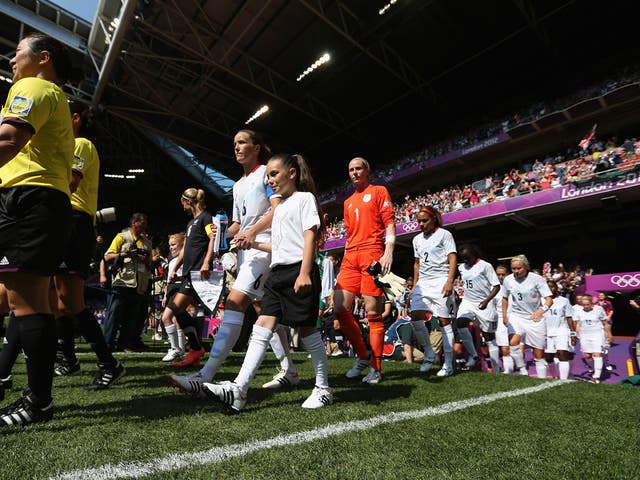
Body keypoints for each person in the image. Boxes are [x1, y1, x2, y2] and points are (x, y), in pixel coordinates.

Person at [169, 129, 296, 395]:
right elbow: (238, 223)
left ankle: (205, 375)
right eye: (234, 143)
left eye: (242, 142)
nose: (236, 147)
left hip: (263, 249)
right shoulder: (238, 185)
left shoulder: (265, 174)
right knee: (266, 311)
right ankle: (289, 370)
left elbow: (276, 210)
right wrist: (223, 232)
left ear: (257, 147)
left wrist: (251, 232)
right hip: (245, 251)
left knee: (236, 302)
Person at [203, 153, 332, 411]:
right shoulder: (281, 207)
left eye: (274, 174)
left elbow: (310, 237)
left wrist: (305, 272)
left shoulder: (304, 199)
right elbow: (280, 245)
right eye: (269, 175)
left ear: (292, 173)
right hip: (277, 273)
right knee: (261, 326)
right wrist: (254, 242)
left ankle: (323, 388)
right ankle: (239, 389)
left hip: (298, 270)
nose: (270, 180)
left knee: (307, 330)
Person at [0, 33, 74, 426]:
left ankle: (38, 402)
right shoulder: (52, 95)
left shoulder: (31, 86)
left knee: (28, 303)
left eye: (17, 53)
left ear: (43, 58)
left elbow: (8, 140)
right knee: (17, 300)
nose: (12, 60)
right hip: (34, 199)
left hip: (29, 199)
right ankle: (32, 395)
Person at [50, 100, 125, 389]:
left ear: (77, 118)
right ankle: (67, 358)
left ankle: (109, 364)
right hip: (65, 220)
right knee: (59, 300)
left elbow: (69, 182)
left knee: (71, 299)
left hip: (75, 221)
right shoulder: (72, 144)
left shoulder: (80, 144)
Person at [332, 157, 395, 384]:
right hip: (351, 255)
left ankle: (376, 368)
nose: (355, 172)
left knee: (372, 312)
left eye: (359, 168)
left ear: (367, 170)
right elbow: (349, 234)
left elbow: (389, 222)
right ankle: (362, 355)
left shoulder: (379, 191)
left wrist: (388, 251)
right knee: (339, 306)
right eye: (351, 170)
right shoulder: (348, 202)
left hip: (372, 252)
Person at [159, 188, 214, 365]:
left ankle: (192, 349)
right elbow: (186, 249)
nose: (182, 206)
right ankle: (195, 349)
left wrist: (207, 261)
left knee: (172, 311)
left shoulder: (206, 217)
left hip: (199, 273)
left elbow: (213, 238)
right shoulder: (191, 223)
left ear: (188, 202)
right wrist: (176, 267)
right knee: (180, 311)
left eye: (182, 202)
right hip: (189, 274)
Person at [408, 206, 457, 377]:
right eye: (419, 221)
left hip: (441, 280)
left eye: (424, 221)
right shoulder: (416, 239)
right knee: (415, 318)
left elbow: (452, 258)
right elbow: (417, 263)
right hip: (423, 283)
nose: (420, 224)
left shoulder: (444, 234)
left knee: (444, 321)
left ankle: (448, 364)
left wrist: (450, 281)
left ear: (433, 219)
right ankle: (429, 352)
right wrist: (415, 285)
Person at [103, 213, 153, 352]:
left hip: (139, 283)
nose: (144, 225)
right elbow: (107, 256)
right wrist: (125, 254)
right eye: (141, 222)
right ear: (133, 223)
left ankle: (125, 344)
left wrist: (145, 259)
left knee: (132, 316)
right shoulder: (121, 237)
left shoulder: (147, 242)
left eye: (145, 223)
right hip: (122, 281)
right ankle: (107, 343)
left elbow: (150, 264)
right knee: (114, 314)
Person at [502, 255, 553, 379]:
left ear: (526, 267)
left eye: (519, 268)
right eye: (513, 269)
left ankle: (542, 380)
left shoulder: (537, 279)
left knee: (538, 354)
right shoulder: (508, 280)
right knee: (513, 342)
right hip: (517, 316)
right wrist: (504, 315)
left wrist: (541, 311)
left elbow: (549, 299)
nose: (516, 271)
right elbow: (505, 298)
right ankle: (523, 370)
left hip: (535, 319)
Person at [456, 245, 501, 372]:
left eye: (467, 258)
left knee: (489, 338)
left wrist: (487, 300)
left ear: (474, 255)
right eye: (463, 258)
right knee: (460, 323)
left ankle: (496, 369)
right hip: (468, 302)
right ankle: (474, 356)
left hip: (484, 303)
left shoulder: (485, 266)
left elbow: (496, 286)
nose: (465, 261)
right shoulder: (461, 267)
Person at [494, 264, 527, 374]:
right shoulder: (493, 289)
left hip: (516, 318)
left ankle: (522, 368)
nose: (500, 277)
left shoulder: (516, 285)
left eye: (503, 274)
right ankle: (508, 371)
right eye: (498, 274)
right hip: (500, 320)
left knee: (517, 347)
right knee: (504, 349)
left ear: (507, 274)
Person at [543, 280, 576, 380]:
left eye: (552, 287)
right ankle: (555, 377)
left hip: (562, 330)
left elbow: (569, 318)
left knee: (562, 354)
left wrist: (573, 333)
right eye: (548, 287)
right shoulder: (540, 300)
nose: (550, 289)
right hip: (546, 332)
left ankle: (563, 380)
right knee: (548, 357)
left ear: (557, 288)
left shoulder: (564, 300)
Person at [574, 294, 608, 383]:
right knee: (587, 355)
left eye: (587, 304)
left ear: (591, 303)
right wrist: (577, 335)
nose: (585, 306)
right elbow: (577, 324)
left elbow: (605, 323)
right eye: (584, 305)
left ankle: (596, 377)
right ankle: (594, 368)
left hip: (597, 334)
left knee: (597, 354)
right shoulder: (577, 311)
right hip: (585, 335)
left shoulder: (598, 309)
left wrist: (609, 334)